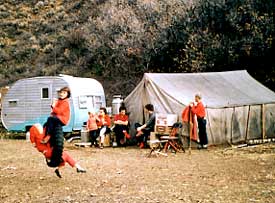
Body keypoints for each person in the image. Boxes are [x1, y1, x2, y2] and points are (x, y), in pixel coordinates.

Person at [42, 86, 71, 167]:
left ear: (67, 95)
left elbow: (58, 111)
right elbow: (54, 112)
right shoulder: (59, 101)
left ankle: (48, 136)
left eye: (64, 93)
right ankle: (46, 138)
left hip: (62, 119)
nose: (62, 94)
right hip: (57, 118)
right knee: (46, 123)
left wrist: (53, 106)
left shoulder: (65, 102)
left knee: (50, 119)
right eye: (61, 92)